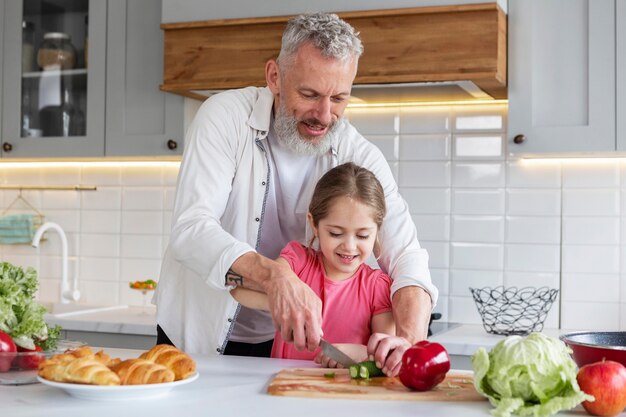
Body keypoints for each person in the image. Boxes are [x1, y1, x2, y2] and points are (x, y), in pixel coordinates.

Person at [153, 12, 438, 374]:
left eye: (339, 98)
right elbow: (191, 229)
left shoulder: (358, 154)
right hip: (194, 333)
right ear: (275, 76)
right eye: (309, 94)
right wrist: (277, 278)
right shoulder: (224, 118)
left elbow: (406, 256)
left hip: (282, 347)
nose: (324, 114)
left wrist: (409, 344)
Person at [232, 163, 400, 372]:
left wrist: (363, 353)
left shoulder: (378, 287)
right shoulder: (297, 260)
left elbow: (388, 355)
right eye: (336, 233)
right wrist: (282, 302)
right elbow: (239, 291)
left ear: (377, 230)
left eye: (362, 235)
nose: (349, 246)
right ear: (314, 224)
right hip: (286, 387)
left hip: (349, 396)